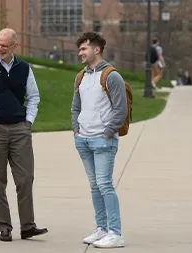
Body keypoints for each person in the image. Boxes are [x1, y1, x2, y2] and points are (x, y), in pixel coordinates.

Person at [0, 28, 48, 242]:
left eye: (4, 45)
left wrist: (28, 122)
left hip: (19, 129)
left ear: (15, 46)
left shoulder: (24, 68)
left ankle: (28, 226)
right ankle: (4, 227)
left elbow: (34, 97)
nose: (0, 48)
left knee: (25, 178)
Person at [71, 32, 127, 248]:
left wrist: (107, 133)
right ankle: (101, 228)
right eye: (79, 49)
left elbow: (120, 110)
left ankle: (115, 233)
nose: (80, 53)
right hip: (83, 139)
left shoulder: (111, 76)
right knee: (95, 186)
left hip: (103, 141)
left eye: (84, 49)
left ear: (96, 49)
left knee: (105, 185)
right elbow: (76, 106)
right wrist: (76, 130)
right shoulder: (81, 76)